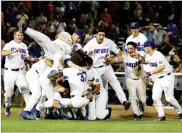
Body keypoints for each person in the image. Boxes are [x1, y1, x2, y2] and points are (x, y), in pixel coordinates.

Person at [83, 27, 131, 110]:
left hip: (106, 66)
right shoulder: (90, 43)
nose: (101, 37)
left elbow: (119, 52)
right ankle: (100, 109)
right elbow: (82, 54)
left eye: (103, 35)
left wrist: (114, 59)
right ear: (96, 35)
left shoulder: (108, 42)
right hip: (95, 69)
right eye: (100, 35)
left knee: (115, 82)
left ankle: (124, 101)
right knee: (102, 89)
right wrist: (87, 53)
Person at [134, 40, 182, 121]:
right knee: (155, 97)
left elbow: (161, 67)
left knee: (169, 98)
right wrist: (138, 57)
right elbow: (146, 61)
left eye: (145, 47)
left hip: (167, 77)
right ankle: (161, 116)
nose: (144, 48)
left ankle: (180, 112)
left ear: (149, 47)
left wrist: (150, 73)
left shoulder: (158, 55)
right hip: (158, 78)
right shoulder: (148, 55)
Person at [105, 41, 146, 120]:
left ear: (135, 48)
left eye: (131, 48)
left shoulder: (140, 54)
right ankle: (137, 114)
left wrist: (139, 57)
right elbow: (114, 60)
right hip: (129, 79)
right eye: (128, 48)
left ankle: (140, 111)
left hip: (139, 79)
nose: (130, 50)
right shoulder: (125, 56)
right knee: (133, 97)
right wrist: (108, 59)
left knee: (142, 99)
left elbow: (145, 62)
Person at [1, 29, 38, 116]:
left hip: (20, 72)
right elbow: (2, 52)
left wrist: (33, 59)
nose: (20, 37)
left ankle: (29, 110)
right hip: (9, 72)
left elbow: (27, 57)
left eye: (21, 35)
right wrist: (13, 51)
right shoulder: (9, 44)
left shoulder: (24, 45)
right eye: (18, 35)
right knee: (8, 93)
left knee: (25, 88)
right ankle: (7, 106)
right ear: (14, 35)